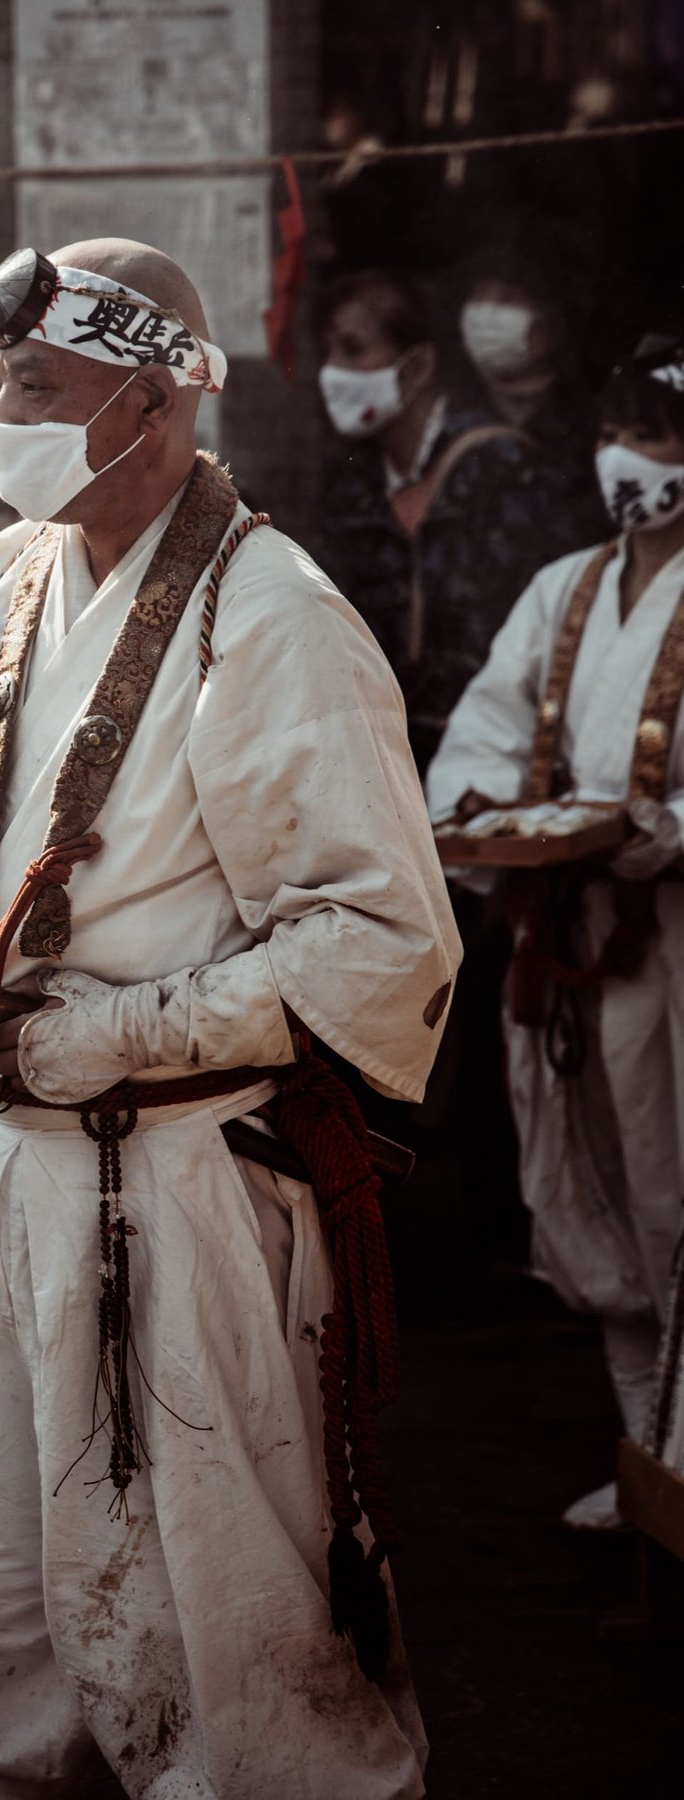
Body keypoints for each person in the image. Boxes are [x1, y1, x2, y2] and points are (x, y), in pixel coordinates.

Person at [0, 236, 460, 1799]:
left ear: (151, 403)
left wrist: (123, 1034)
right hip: (5, 1184)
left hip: (185, 1193)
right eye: (0, 382)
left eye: (38, 386)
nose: (0, 414)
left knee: (227, 1649)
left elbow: (377, 942)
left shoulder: (274, 617)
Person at [426, 331, 684, 1531]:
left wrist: (673, 825)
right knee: (592, 1178)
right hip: (568, 929)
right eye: (614, 436)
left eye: (659, 438)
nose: (630, 462)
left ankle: (682, 1459)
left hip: (672, 931)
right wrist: (479, 811)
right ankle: (646, 1455)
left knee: (676, 1177)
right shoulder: (566, 586)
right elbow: (483, 729)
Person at [315, 266, 595, 775]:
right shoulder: (349, 481)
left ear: (418, 365)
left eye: (353, 350)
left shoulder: (500, 468)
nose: (332, 371)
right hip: (381, 753)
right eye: (328, 352)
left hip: (489, 757)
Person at [457, 250, 610, 543]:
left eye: (509, 299)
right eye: (479, 296)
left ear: (552, 315)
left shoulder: (594, 423)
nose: (486, 314)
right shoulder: (450, 417)